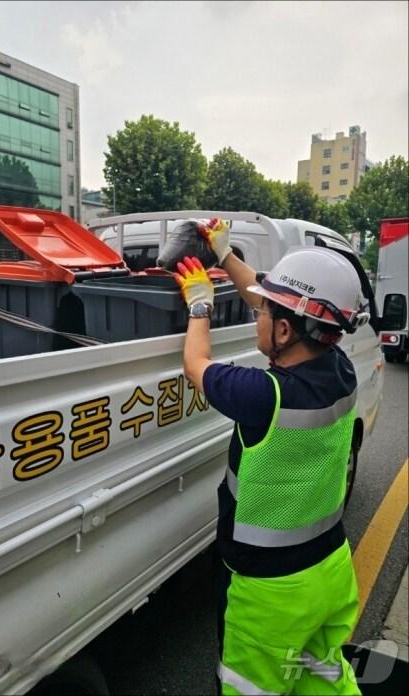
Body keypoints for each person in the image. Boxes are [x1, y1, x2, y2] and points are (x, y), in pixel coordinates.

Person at [174, 219, 368, 695]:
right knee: (323, 677)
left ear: (283, 331)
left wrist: (200, 306)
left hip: (270, 593)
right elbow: (273, 300)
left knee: (252, 688)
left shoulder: (264, 396)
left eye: (264, 314)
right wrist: (225, 256)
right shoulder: (340, 368)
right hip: (329, 571)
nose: (256, 314)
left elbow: (195, 366)